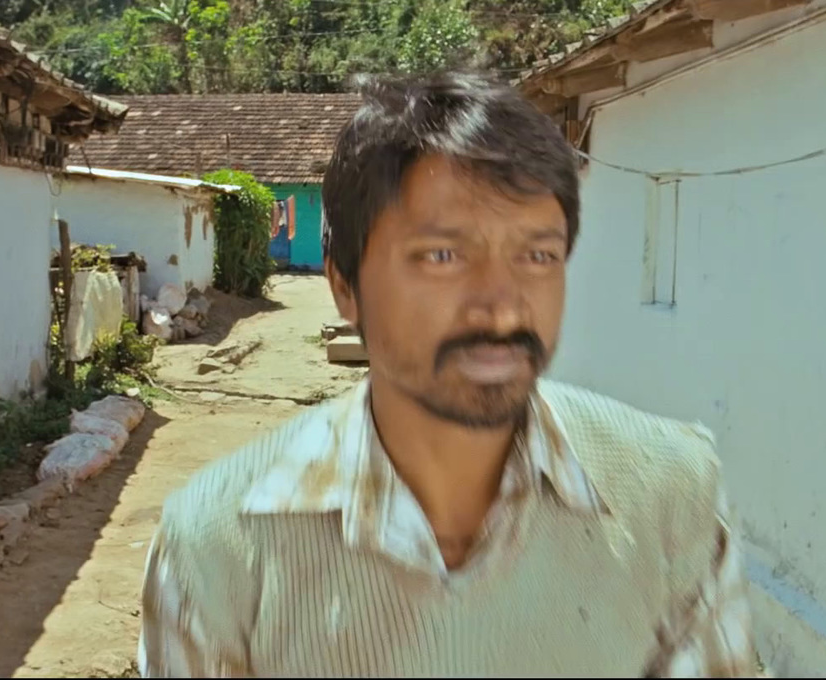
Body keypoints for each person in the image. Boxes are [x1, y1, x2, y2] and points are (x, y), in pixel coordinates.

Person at [136, 70, 764, 678]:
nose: (502, 303)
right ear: (345, 287)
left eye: (537, 254)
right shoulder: (218, 546)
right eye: (443, 255)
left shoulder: (672, 493)